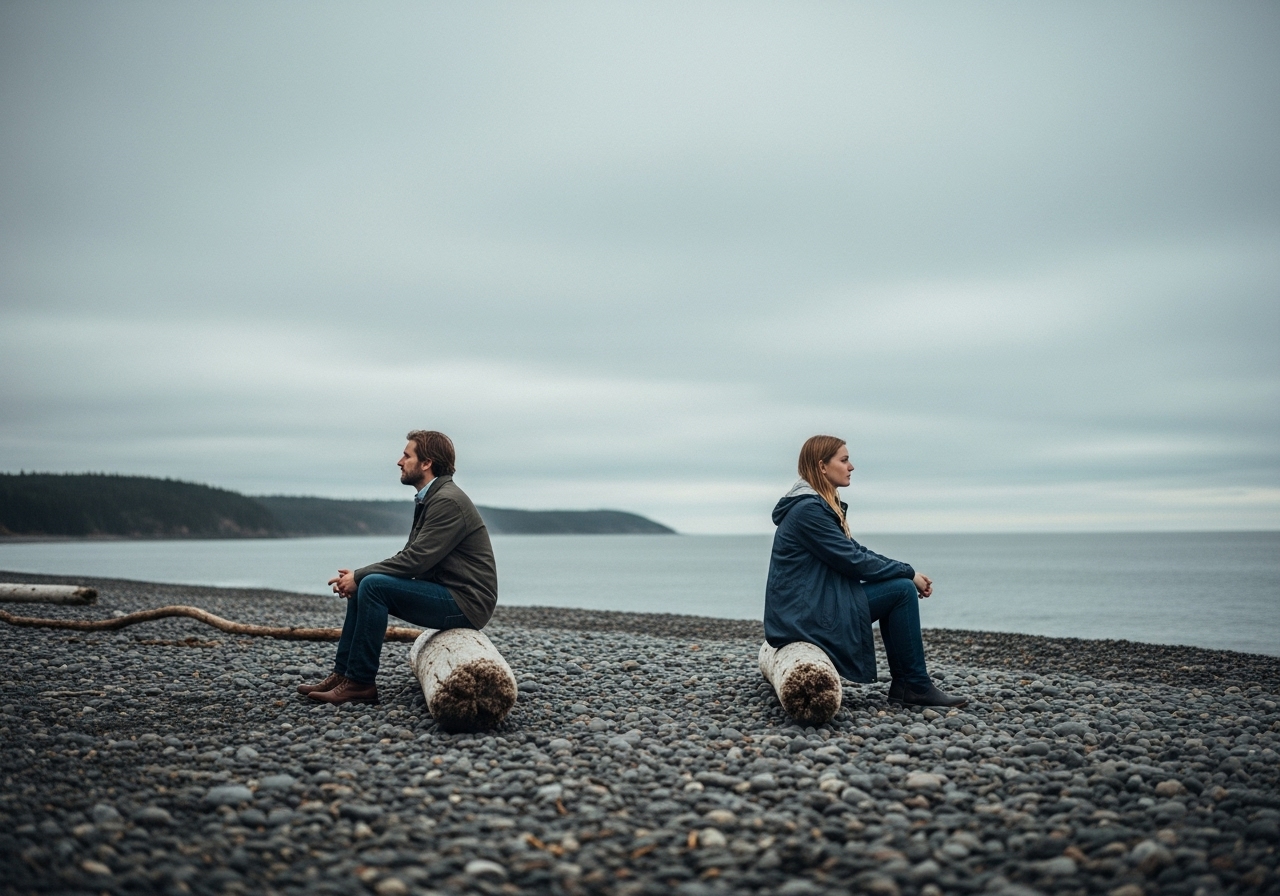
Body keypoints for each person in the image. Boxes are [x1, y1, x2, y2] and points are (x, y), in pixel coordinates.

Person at [297, 430, 498, 706]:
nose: (399, 461)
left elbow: (415, 561)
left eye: (407, 455)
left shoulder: (447, 501)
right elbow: (410, 555)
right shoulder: (433, 497)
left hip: (467, 602)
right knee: (367, 584)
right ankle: (343, 675)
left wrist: (361, 575)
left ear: (426, 463)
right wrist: (360, 576)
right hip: (449, 592)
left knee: (372, 585)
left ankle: (360, 683)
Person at [764, 435, 965, 708]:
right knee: (902, 591)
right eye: (844, 460)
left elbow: (856, 551)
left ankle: (909, 684)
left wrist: (906, 571)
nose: (851, 466)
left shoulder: (818, 505)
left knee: (900, 585)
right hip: (802, 617)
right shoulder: (809, 510)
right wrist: (908, 575)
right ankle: (913, 685)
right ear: (822, 467)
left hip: (807, 609)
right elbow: (853, 561)